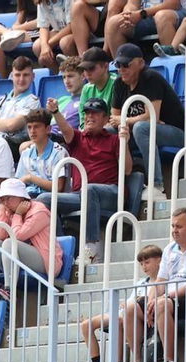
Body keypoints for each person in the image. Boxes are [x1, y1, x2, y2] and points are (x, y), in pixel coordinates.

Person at [53, 97, 124, 262]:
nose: (90, 117)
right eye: (87, 114)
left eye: (95, 114)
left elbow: (127, 169)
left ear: (106, 119)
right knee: (44, 200)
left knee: (90, 188)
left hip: (110, 194)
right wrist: (56, 112)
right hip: (81, 195)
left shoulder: (115, 140)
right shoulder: (77, 138)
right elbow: (65, 129)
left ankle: (92, 248)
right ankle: (61, 250)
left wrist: (124, 141)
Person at [109, 43, 184, 191]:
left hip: (177, 132)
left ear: (140, 63)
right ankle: (113, 184)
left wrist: (127, 121)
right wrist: (138, 119)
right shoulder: (119, 83)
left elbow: (153, 116)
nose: (121, 70)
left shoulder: (151, 78)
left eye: (126, 64)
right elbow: (114, 119)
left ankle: (157, 185)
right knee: (108, 133)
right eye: (118, 65)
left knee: (141, 128)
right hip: (142, 130)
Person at [0, 178, 57, 297]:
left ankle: (9, 290)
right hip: (20, 256)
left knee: (9, 243)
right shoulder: (8, 211)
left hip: (47, 259)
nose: (5, 202)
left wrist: (17, 215)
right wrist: (2, 211)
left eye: (9, 197)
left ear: (21, 197)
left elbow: (18, 237)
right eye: (2, 199)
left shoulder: (39, 210)